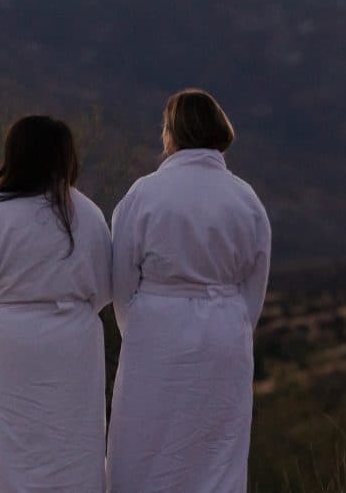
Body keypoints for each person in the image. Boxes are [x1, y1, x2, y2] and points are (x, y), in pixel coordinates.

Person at [105, 89, 272, 492]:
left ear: (171, 133)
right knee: (217, 449)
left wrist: (141, 329)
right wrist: (231, 323)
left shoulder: (143, 194)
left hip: (156, 332)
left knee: (146, 443)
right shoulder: (245, 197)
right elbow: (255, 283)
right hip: (224, 333)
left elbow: (121, 281)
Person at [0, 115, 113, 493]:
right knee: (71, 442)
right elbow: (104, 288)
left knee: (6, 443)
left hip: (9, 343)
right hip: (74, 344)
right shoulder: (86, 214)